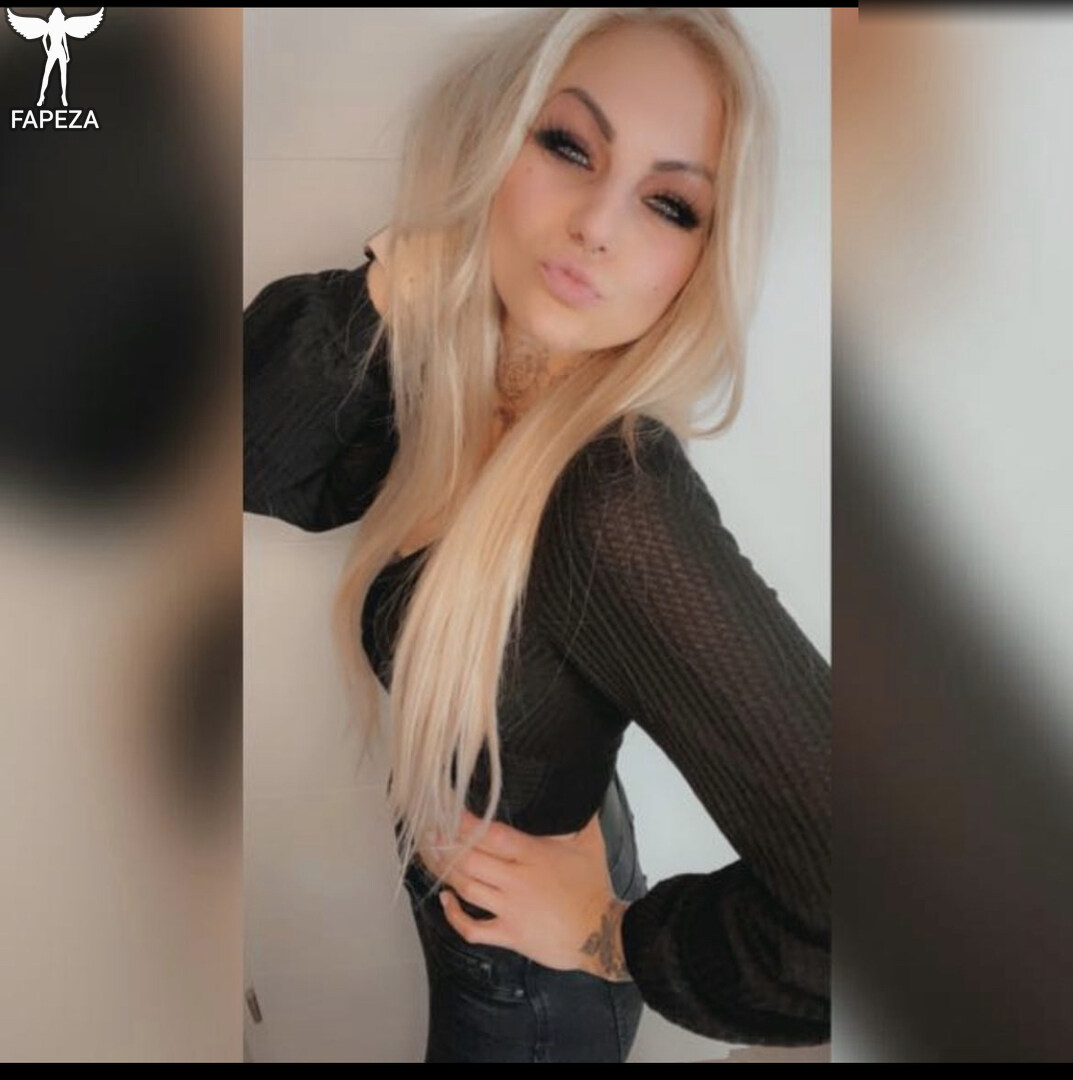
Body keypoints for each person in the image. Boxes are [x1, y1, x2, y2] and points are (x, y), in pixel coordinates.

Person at [244, 8, 830, 1063]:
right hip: (479, 929)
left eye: (669, 203)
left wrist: (616, 937)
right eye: (566, 146)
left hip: (528, 1000)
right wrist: (407, 276)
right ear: (494, 150)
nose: (596, 224)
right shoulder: (465, 391)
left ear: (699, 263)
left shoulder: (611, 501)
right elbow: (253, 455)